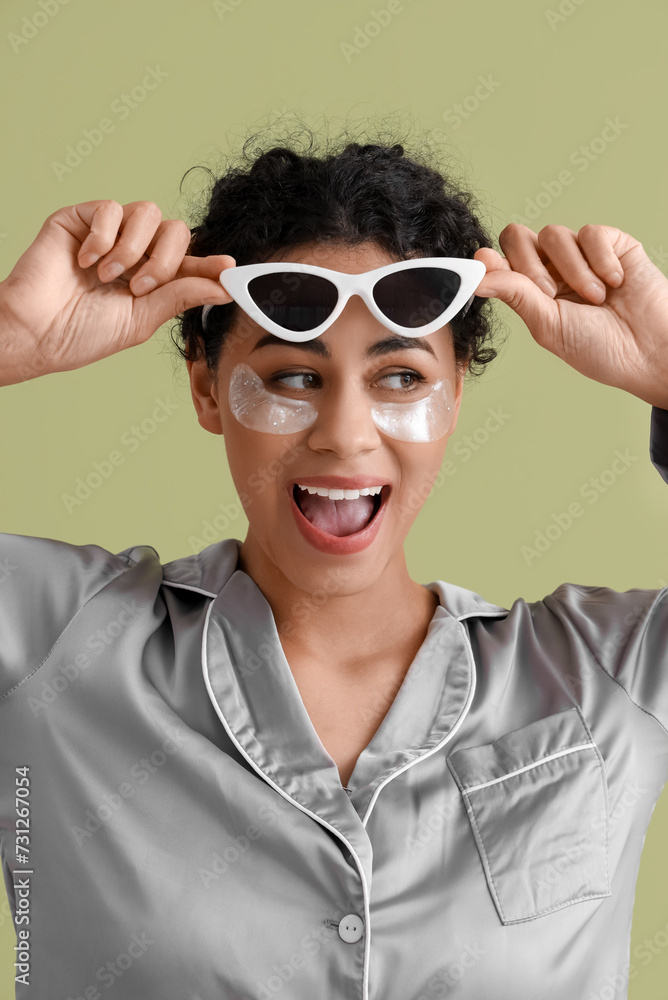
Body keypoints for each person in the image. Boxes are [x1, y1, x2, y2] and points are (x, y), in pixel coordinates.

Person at [0, 136, 667, 1000]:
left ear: (455, 394)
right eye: (293, 376)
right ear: (206, 388)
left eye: (400, 377)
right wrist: (11, 339)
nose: (346, 436)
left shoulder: (610, 680)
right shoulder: (52, 646)